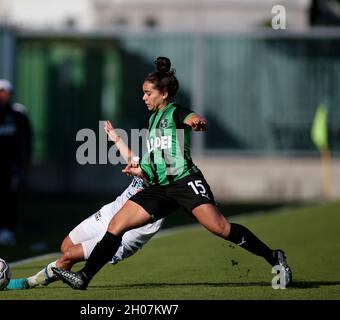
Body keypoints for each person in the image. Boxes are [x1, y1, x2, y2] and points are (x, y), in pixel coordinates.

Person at [54, 57, 293, 290]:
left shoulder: (174, 112)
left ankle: (273, 256)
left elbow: (192, 119)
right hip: (160, 189)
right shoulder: (153, 119)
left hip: (184, 181)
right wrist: (140, 168)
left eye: (148, 93)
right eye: (143, 93)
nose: (143, 97)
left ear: (164, 94)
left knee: (220, 228)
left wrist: (198, 122)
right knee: (117, 224)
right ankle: (84, 277)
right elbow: (159, 157)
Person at [1, 121, 164, 290]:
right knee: (66, 246)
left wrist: (139, 172)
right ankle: (62, 272)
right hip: (114, 211)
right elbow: (132, 159)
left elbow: (155, 180)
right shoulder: (151, 156)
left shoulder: (171, 165)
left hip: (132, 228)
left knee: (70, 255)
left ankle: (29, 282)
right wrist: (115, 138)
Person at [0, 79, 32, 246]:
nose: (2, 96)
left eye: (5, 92)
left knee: (10, 195)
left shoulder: (18, 114)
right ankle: (1, 227)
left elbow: (28, 137)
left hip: (13, 164)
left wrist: (26, 158)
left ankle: (9, 229)